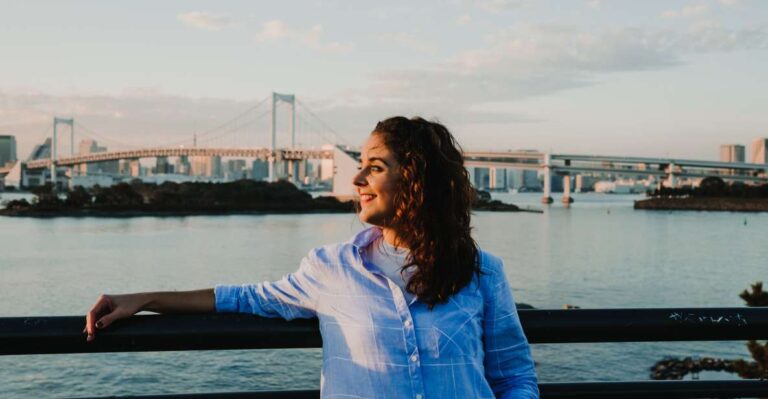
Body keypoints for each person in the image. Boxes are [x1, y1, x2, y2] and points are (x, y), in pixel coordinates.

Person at [85, 116, 539, 399]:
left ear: (418, 179)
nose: (357, 177)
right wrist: (143, 298)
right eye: (359, 164)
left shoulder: (481, 272)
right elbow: (245, 298)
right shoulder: (331, 268)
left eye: (375, 166)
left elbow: (514, 377)